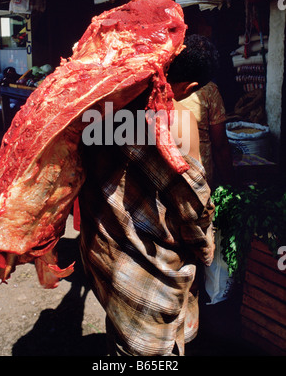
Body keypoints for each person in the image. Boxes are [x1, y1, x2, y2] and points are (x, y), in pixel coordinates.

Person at [78, 84, 215, 356]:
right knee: (153, 347)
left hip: (108, 253)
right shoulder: (180, 119)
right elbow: (193, 210)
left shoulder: (93, 110)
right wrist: (205, 245)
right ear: (190, 87)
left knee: (121, 330)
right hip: (156, 265)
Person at [167, 34, 234, 190]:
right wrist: (231, 184)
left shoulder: (143, 90)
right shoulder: (209, 90)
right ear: (190, 87)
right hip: (194, 186)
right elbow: (220, 145)